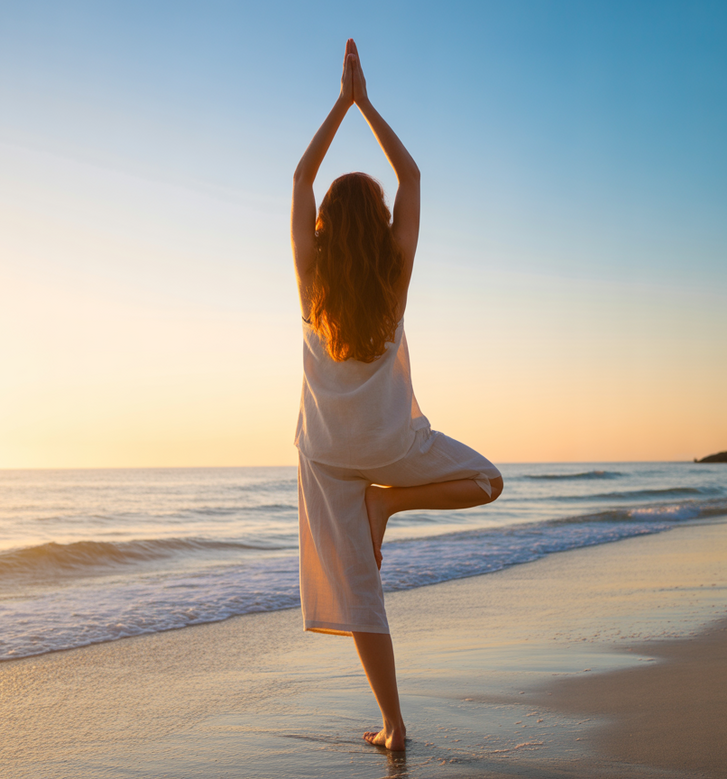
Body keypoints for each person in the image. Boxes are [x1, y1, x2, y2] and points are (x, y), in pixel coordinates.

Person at [291, 39, 504, 753]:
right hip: (390, 443)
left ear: (323, 226)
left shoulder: (310, 284)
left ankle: (394, 724)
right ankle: (390, 501)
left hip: (324, 456)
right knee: (487, 480)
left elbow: (298, 179)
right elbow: (410, 173)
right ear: (379, 223)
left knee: (362, 594)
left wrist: (338, 103)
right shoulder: (393, 278)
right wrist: (366, 103)